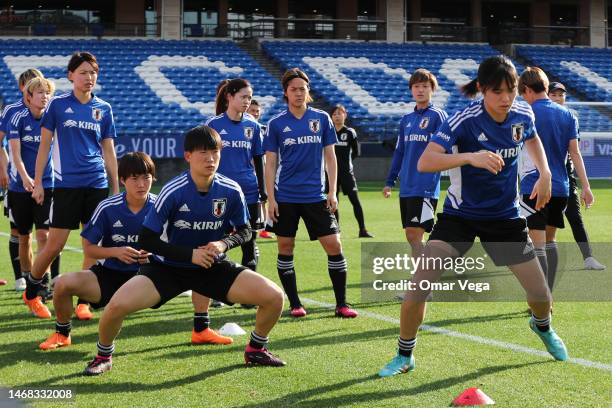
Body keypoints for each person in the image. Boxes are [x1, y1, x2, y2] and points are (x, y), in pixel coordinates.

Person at [379, 56, 568, 378]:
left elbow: (532, 139)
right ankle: (404, 353)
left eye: (511, 91)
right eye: (497, 92)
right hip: (459, 217)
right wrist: (471, 157)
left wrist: (546, 173)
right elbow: (426, 162)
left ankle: (542, 327)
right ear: (482, 89)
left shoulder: (522, 113)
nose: (505, 99)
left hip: (505, 219)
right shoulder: (462, 120)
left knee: (540, 295)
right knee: (417, 289)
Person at [83, 126, 285, 375]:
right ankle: (103, 355)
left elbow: (245, 232)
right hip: (167, 269)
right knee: (115, 307)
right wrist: (190, 255)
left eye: (215, 152)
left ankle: (256, 349)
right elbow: (148, 239)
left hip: (211, 266)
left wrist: (222, 244)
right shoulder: (173, 191)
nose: (210, 159)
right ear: (188, 156)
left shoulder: (231, 190)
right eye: (203, 153)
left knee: (275, 298)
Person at [24, 52, 119, 320]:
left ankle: (84, 302)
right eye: (83, 72)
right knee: (55, 245)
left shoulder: (104, 109)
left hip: (97, 184)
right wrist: (40, 181)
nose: (89, 77)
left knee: (92, 244)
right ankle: (32, 291)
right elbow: (45, 146)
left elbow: (109, 151)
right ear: (71, 75)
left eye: (93, 73)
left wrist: (114, 189)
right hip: (66, 186)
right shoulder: (57, 106)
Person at [263, 68, 358, 319]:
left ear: (308, 92)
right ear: (286, 93)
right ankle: (295, 304)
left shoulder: (322, 119)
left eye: (302, 89)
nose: (298, 93)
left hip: (316, 196)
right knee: (285, 246)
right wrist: (270, 199)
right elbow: (270, 163)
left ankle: (342, 304)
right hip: (285, 197)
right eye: (293, 89)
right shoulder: (276, 124)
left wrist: (332, 191)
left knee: (334, 244)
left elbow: (331, 157)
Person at [37, 152, 156, 350]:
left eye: (146, 177)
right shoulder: (107, 207)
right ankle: (62, 333)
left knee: (195, 270)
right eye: (134, 179)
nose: (141, 184)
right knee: (62, 284)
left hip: (147, 278)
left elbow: (176, 245)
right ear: (122, 180)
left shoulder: (161, 206)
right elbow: (89, 249)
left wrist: (155, 255)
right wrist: (116, 252)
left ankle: (201, 324)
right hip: (110, 276)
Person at [518, 68, 595, 291]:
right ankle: (548, 294)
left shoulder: (525, 113)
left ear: (527, 90)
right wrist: (586, 187)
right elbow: (575, 153)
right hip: (561, 187)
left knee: (536, 244)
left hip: (534, 185)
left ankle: (540, 298)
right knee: (550, 241)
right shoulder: (569, 115)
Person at [205, 78, 267, 312]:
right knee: (216, 242)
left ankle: (250, 294)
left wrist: (262, 189)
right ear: (229, 97)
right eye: (243, 97)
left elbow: (259, 158)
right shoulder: (213, 124)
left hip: (248, 193)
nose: (247, 101)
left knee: (249, 243)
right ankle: (216, 291)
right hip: (220, 193)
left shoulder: (253, 125)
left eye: (249, 97)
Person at [383, 69, 448, 255]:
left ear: (432, 89)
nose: (420, 90)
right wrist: (390, 181)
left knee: (414, 234)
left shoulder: (438, 116)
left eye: (425, 86)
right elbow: (400, 152)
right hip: (407, 187)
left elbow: (448, 149)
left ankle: (423, 277)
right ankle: (425, 274)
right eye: (416, 86)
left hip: (425, 186)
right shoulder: (406, 120)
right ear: (411, 89)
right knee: (412, 236)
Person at [6, 77, 55, 310]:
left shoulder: (52, 118)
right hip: (20, 186)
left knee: (44, 235)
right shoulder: (18, 117)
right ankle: (27, 279)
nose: (44, 96)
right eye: (39, 92)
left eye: (47, 92)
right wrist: (27, 180)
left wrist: (39, 183)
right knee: (24, 237)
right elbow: (15, 154)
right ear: (29, 96)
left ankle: (42, 283)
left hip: (46, 184)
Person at [547, 81, 604, 270]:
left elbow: (575, 153)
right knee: (535, 221)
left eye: (560, 95)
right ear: (546, 96)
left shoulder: (570, 118)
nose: (557, 98)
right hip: (540, 178)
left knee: (575, 217)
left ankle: (588, 258)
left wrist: (586, 187)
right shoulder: (535, 116)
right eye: (553, 94)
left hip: (565, 178)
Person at [0, 68, 48, 292]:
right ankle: (22, 276)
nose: (37, 90)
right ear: (23, 88)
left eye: (41, 87)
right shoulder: (12, 111)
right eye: (32, 85)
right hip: (16, 181)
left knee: (46, 233)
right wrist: (4, 168)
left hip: (45, 182)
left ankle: (45, 279)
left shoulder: (48, 113)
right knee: (19, 231)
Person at [329, 104, 372, 238]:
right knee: (333, 202)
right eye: (334, 114)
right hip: (331, 174)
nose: (337, 116)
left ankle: (362, 230)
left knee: (355, 201)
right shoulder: (328, 131)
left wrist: (346, 164)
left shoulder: (350, 132)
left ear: (345, 115)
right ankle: (335, 229)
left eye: (339, 113)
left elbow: (356, 152)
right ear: (331, 116)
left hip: (347, 173)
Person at [247, 99, 274, 239]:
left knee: (264, 198)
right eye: (252, 110)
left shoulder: (263, 129)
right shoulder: (245, 128)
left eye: (257, 111)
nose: (256, 113)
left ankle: (263, 227)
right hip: (247, 170)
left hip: (262, 167)